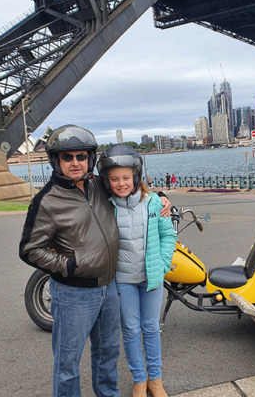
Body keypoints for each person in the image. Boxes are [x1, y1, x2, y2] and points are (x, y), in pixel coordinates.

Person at [19, 125, 171, 397]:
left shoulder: (99, 186)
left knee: (107, 355)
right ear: (56, 160)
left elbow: (130, 187)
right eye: (67, 157)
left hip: (110, 288)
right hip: (73, 293)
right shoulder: (47, 201)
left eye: (81, 156)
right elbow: (30, 249)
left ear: (90, 159)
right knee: (68, 363)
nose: (75, 162)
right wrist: (68, 266)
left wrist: (161, 197)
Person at [97, 145, 176, 397]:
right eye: (114, 179)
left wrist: (162, 264)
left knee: (151, 328)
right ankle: (139, 381)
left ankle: (156, 379)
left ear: (136, 177)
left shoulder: (153, 201)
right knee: (130, 330)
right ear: (107, 181)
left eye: (126, 178)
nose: (121, 183)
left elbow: (168, 236)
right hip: (123, 280)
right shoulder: (105, 205)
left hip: (152, 277)